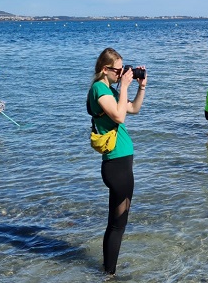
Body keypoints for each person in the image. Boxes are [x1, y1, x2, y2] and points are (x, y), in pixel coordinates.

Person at [87, 48, 147, 275]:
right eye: (118, 70)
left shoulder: (109, 90)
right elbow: (119, 116)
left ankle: (108, 269)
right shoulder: (98, 89)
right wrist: (124, 87)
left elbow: (133, 109)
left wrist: (141, 87)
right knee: (118, 224)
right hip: (116, 164)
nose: (121, 73)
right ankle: (109, 272)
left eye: (123, 69)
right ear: (105, 69)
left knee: (116, 223)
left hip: (121, 163)